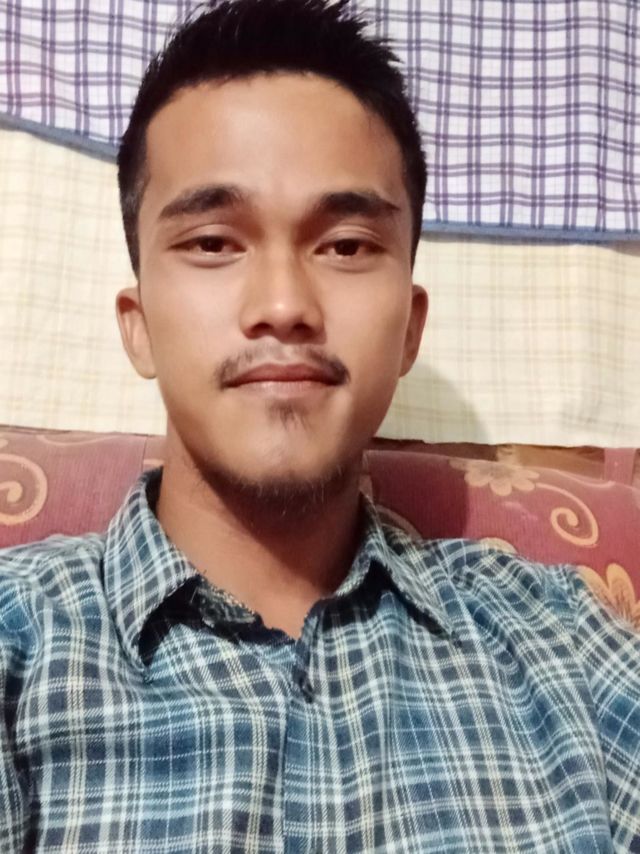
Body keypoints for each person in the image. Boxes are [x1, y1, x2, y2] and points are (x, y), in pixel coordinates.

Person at [0, 0, 638, 849]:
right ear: (139, 325)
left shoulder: (564, 642)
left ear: (409, 329)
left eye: (345, 245)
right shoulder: (18, 645)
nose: (284, 305)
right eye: (213, 242)